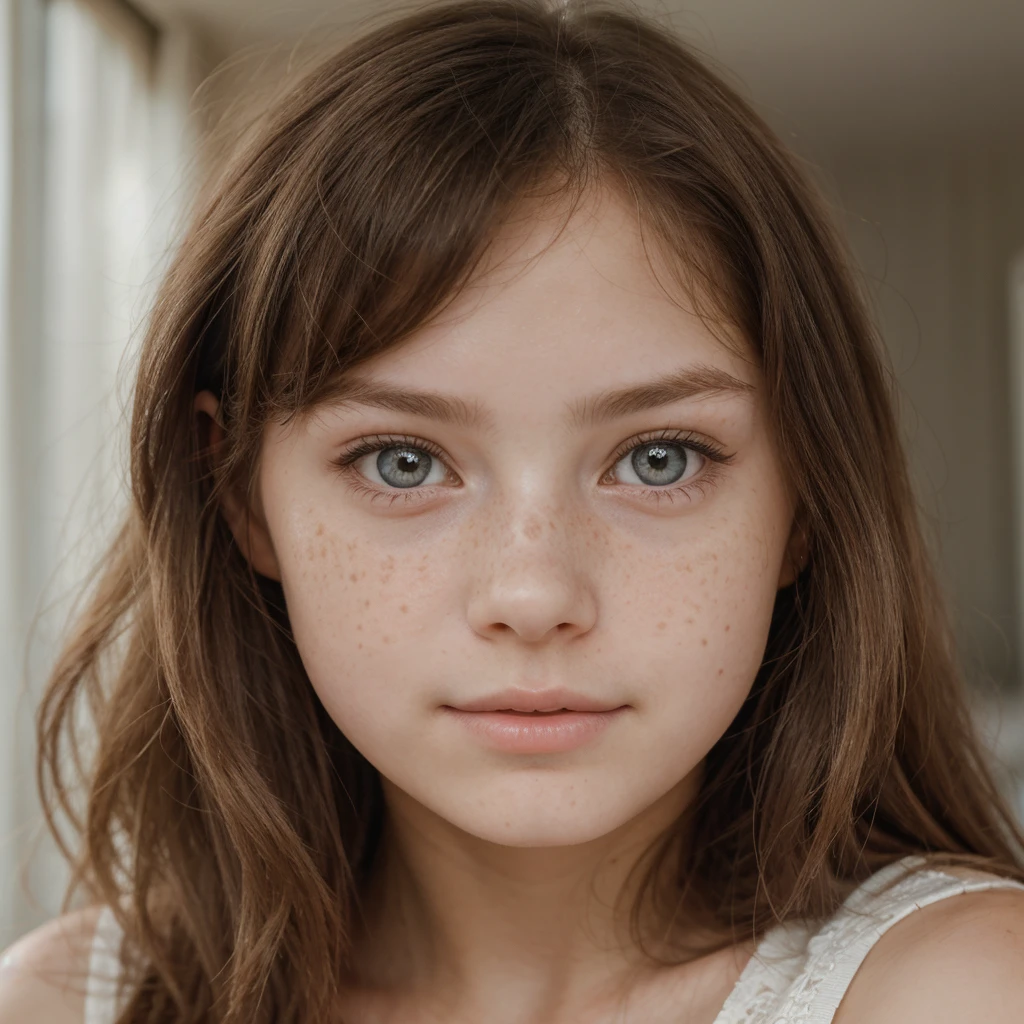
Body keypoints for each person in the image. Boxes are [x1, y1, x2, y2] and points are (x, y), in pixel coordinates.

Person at [3, 0, 1024, 1020]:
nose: (533, 594)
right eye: (402, 462)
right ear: (240, 497)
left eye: (658, 457)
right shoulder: (67, 1003)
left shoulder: (956, 991)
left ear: (806, 499)